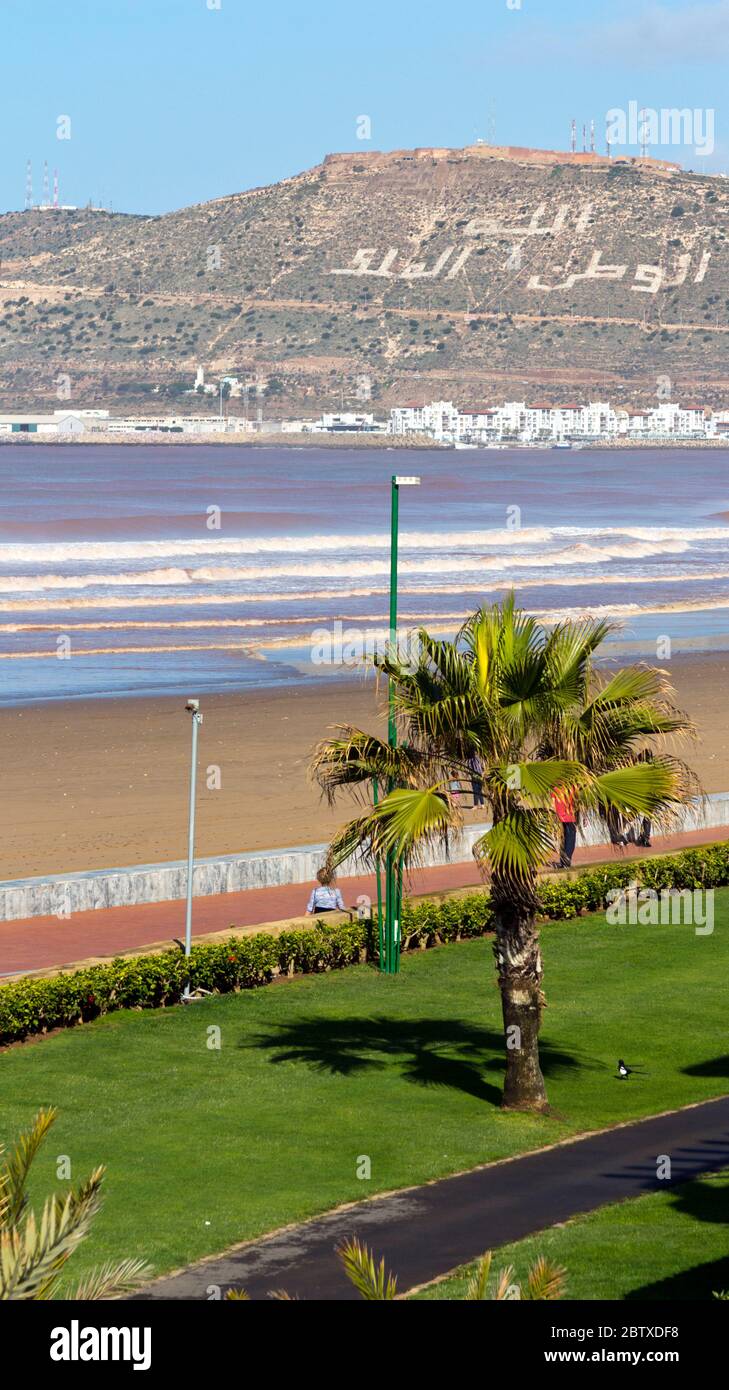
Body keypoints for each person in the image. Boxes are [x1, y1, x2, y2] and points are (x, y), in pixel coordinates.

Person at [552, 787, 577, 869]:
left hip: (560, 816)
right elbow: (577, 801)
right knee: (570, 838)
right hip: (570, 816)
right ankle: (566, 861)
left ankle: (563, 862)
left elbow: (552, 803)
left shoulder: (555, 787)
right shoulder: (571, 786)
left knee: (564, 839)